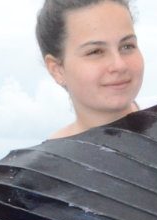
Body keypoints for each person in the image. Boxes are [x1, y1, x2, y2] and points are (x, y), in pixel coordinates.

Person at [35, 0, 144, 139]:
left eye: (127, 46)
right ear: (57, 69)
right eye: (95, 52)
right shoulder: (51, 159)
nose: (119, 65)